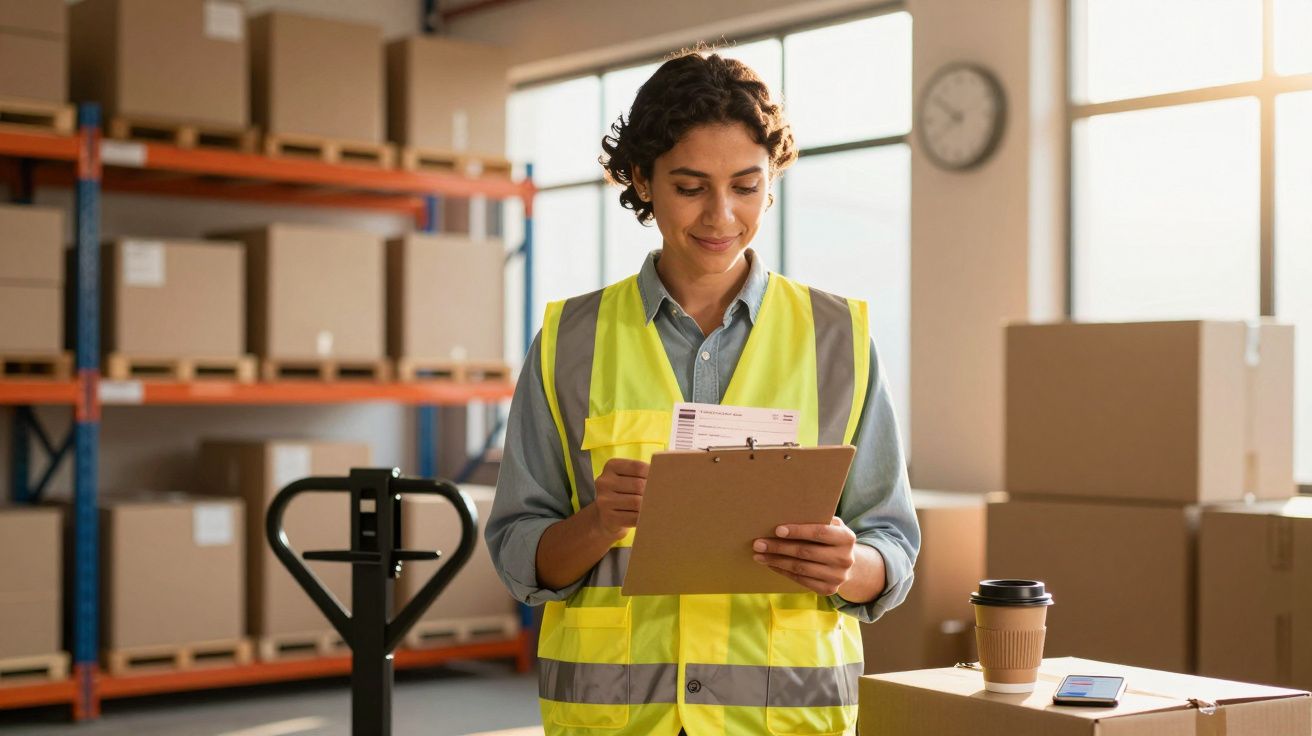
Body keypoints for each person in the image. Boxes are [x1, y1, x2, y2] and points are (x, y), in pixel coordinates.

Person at [486, 48, 920, 736]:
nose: (722, 215)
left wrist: (849, 565)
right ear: (642, 180)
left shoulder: (839, 338)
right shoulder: (569, 341)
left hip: (784, 720)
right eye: (691, 187)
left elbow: (890, 544)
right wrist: (598, 523)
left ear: (771, 184)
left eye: (746, 186)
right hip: (619, 716)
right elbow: (519, 552)